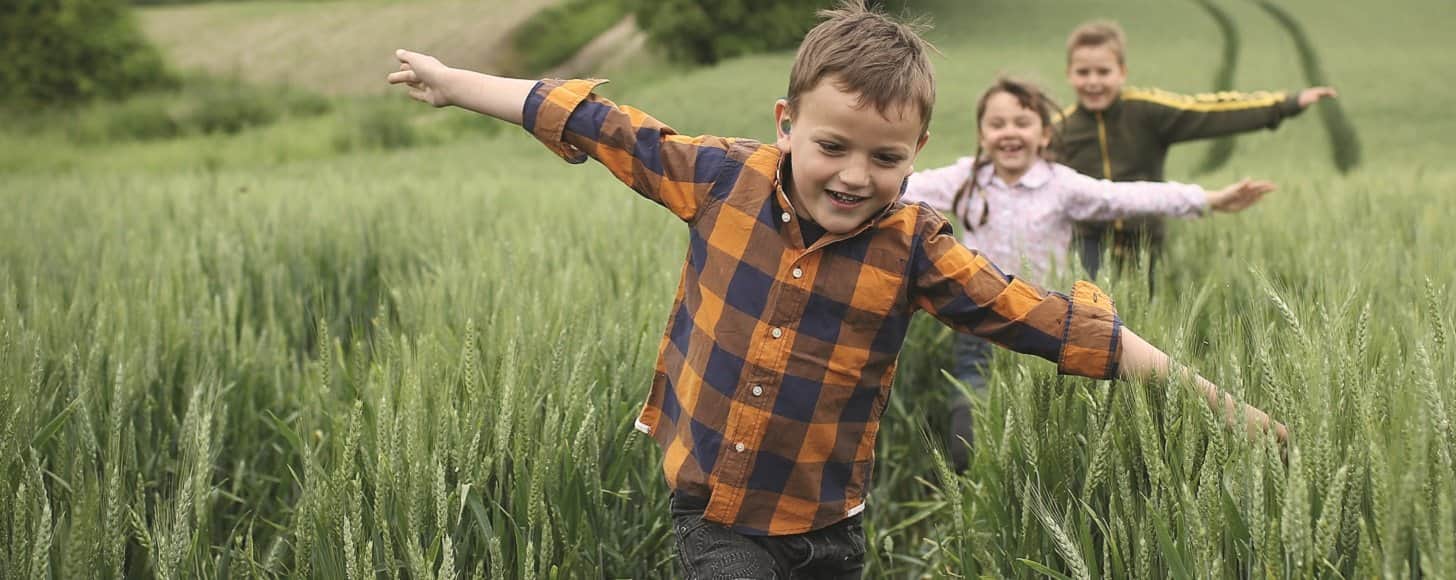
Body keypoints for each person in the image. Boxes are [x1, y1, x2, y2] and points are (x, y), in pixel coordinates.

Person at [387, 2, 1287, 576]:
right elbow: (596, 121)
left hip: (833, 530)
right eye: (832, 147)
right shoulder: (718, 177)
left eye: (887, 158)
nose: (856, 175)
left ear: (918, 153)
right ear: (787, 126)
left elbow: (1054, 325)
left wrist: (1224, 406)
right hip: (721, 513)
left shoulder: (918, 249)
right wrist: (456, 82)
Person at [902, 76, 1275, 473]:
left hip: (1042, 325)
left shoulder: (1061, 185)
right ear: (982, 133)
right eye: (997, 124)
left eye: (1021, 123)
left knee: (1041, 432)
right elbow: (904, 186)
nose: (1009, 132)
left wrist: (1207, 199)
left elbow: (1125, 196)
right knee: (968, 441)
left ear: (1044, 134)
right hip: (975, 327)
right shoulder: (966, 179)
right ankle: (973, 488)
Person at [1053, 19, 1338, 279]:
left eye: (1103, 71)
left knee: (1139, 323)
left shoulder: (1147, 111)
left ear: (1123, 72)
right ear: (1069, 74)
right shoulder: (1058, 129)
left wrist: (1284, 104)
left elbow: (1211, 112)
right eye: (1083, 72)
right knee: (1084, 324)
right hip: (1086, 243)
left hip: (1145, 240)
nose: (1093, 81)